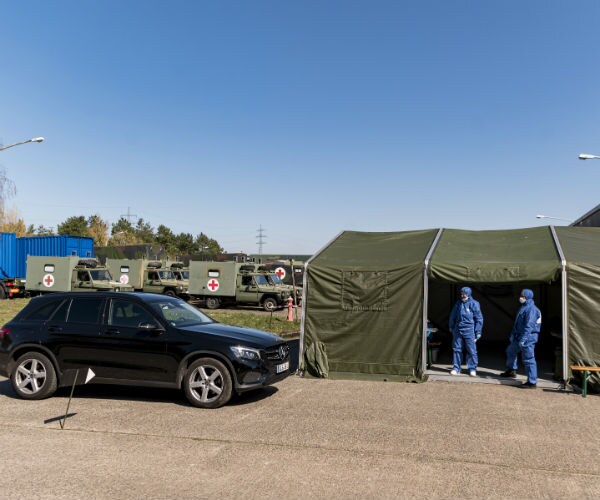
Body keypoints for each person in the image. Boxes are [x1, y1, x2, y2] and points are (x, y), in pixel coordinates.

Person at [500, 289, 542, 388]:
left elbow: (529, 326)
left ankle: (532, 382)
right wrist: (513, 334)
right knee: (510, 350)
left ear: (527, 296)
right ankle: (511, 370)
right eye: (521, 295)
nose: (521, 297)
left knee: (528, 358)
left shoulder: (532, 309)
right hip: (519, 335)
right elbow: (517, 324)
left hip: (528, 336)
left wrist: (524, 338)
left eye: (523, 295)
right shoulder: (523, 307)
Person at [448, 287, 483, 377]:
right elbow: (453, 315)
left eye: (464, 294)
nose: (462, 295)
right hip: (458, 329)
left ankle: (472, 368)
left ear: (469, 294)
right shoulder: (458, 303)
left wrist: (478, 331)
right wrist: (451, 326)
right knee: (457, 349)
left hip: (469, 329)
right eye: (461, 294)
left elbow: (479, 318)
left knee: (471, 350)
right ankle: (456, 368)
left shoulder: (474, 304)